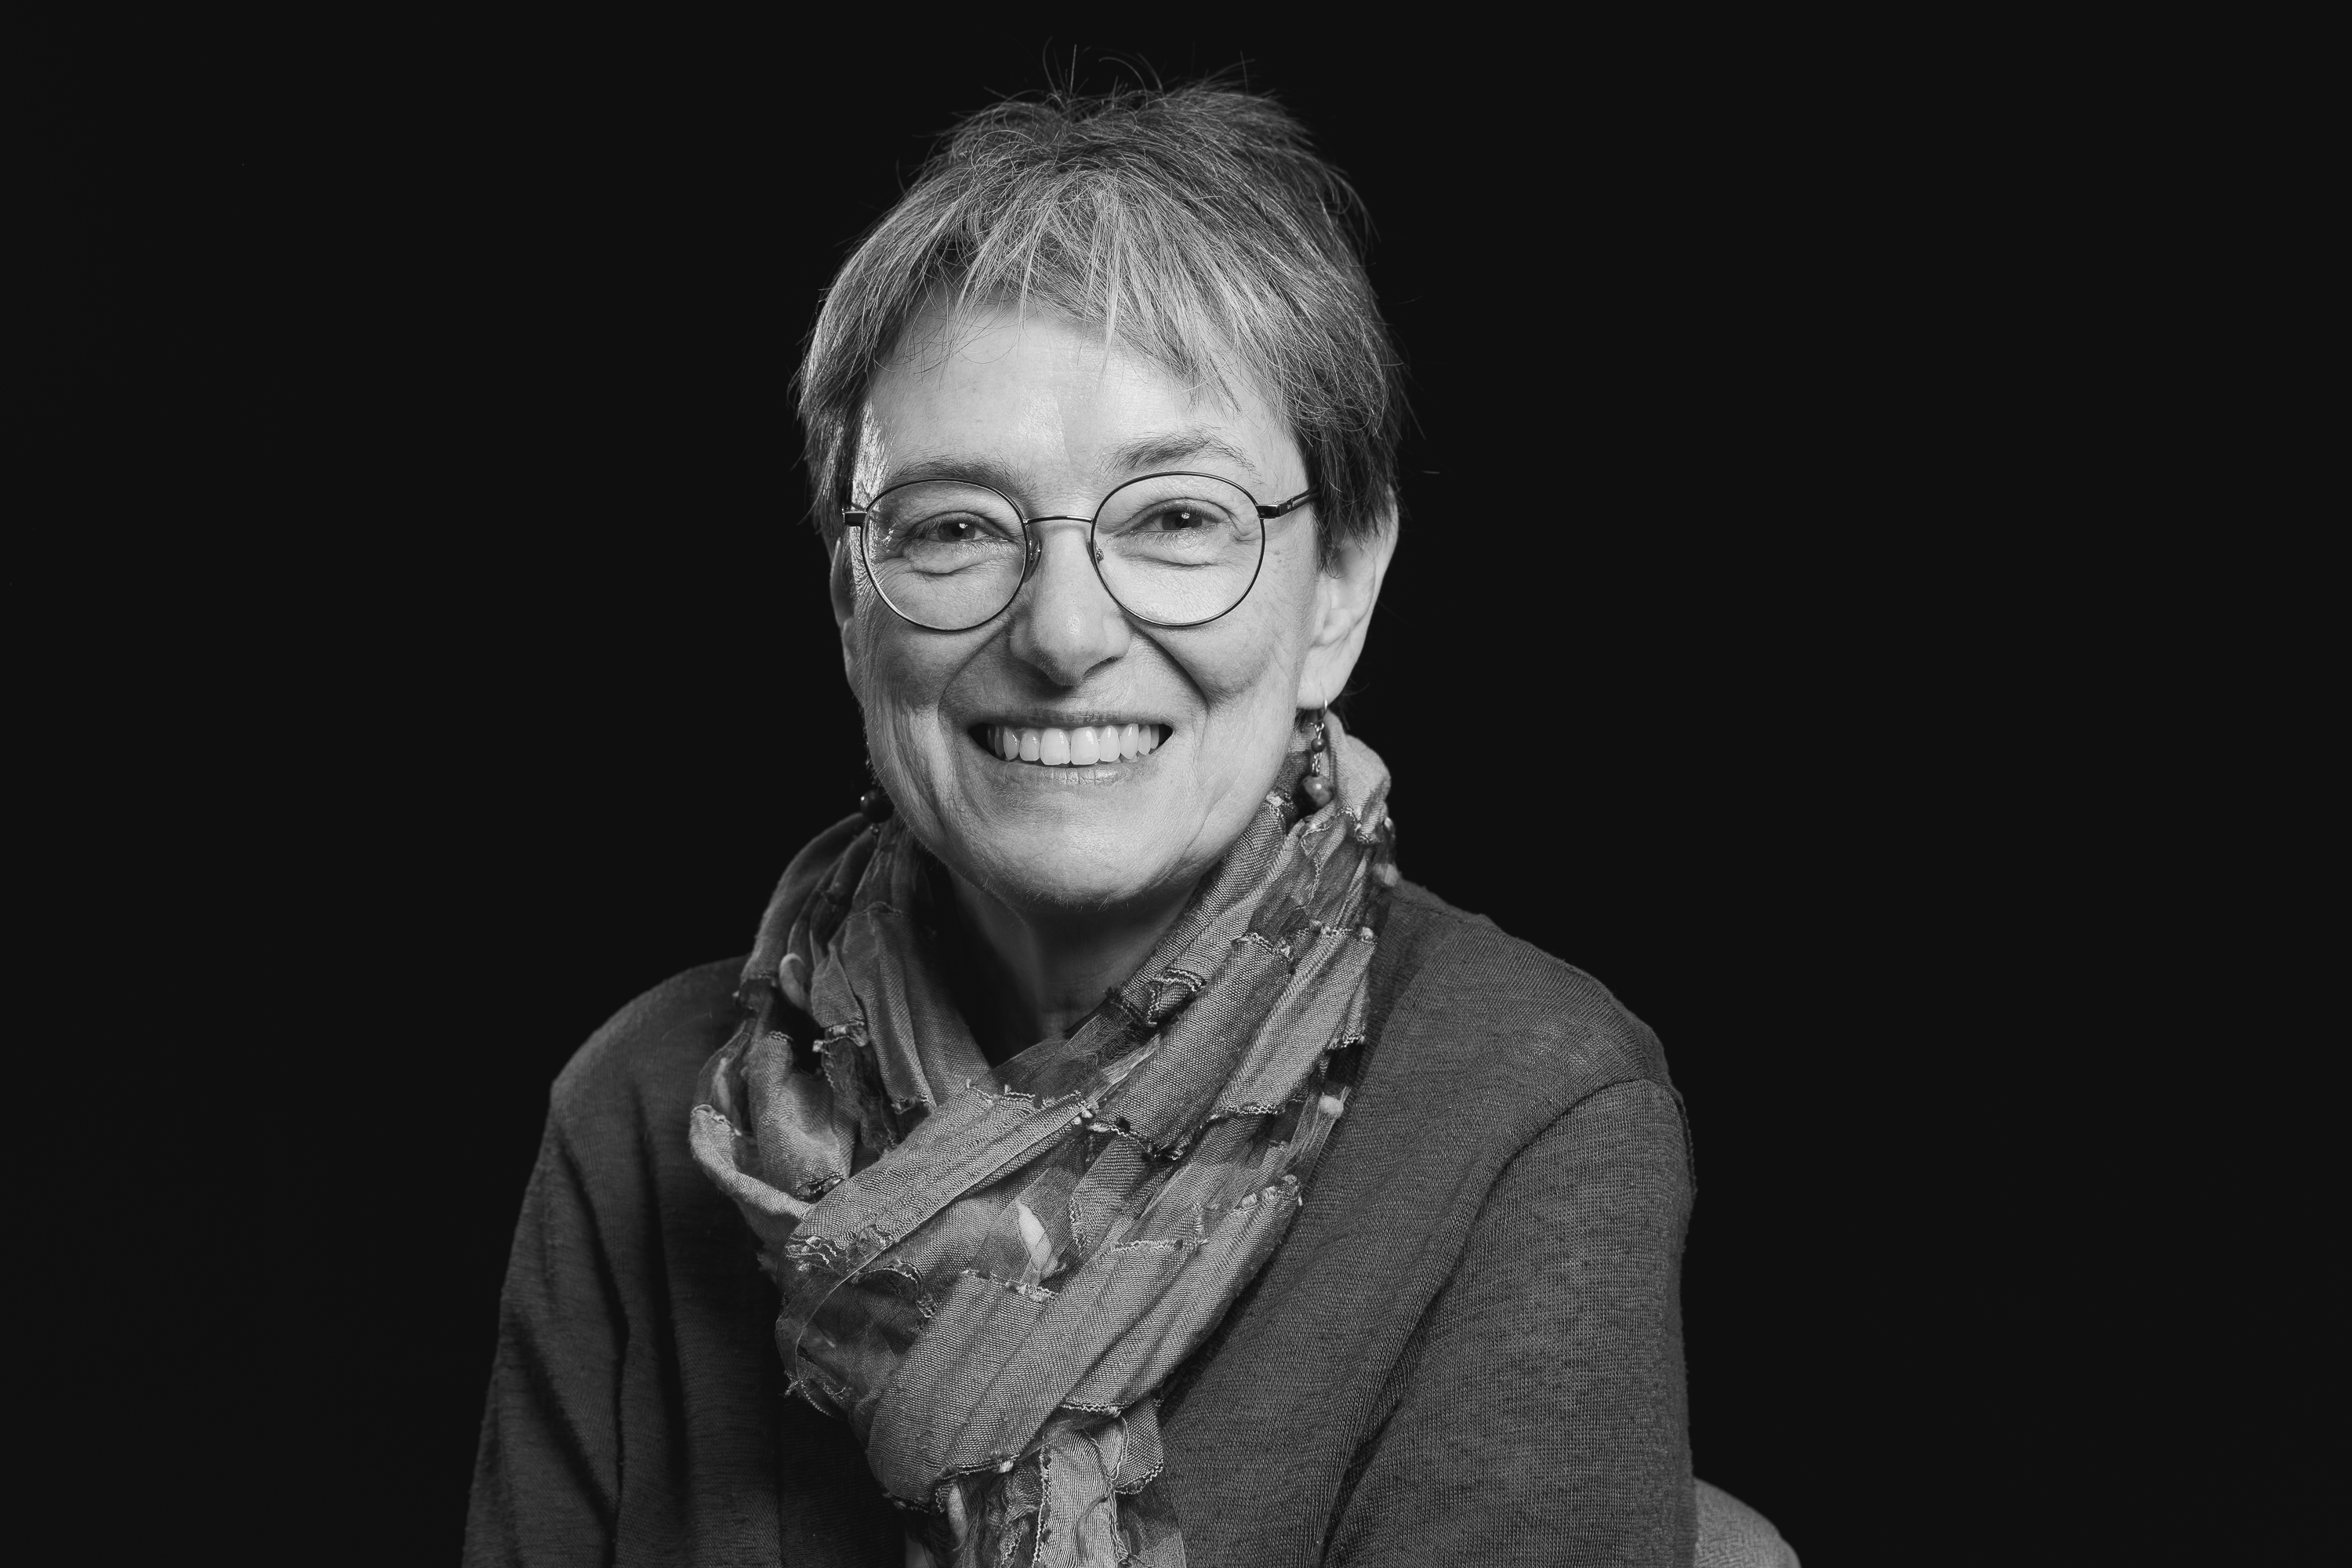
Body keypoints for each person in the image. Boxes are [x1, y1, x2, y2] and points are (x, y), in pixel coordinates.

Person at [466, 83, 1796, 1567]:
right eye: (955, 527)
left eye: (1174, 518)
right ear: (851, 604)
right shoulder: (639, 1107)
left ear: (1339, 590)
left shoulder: (1527, 1104)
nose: (1063, 633)